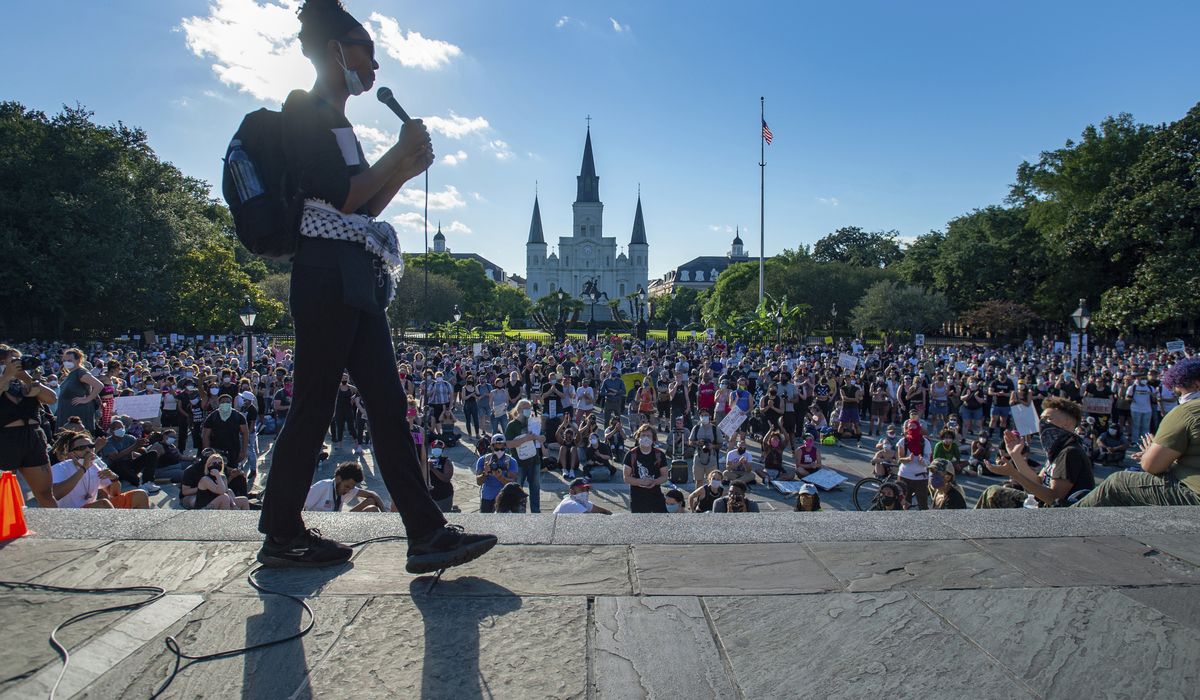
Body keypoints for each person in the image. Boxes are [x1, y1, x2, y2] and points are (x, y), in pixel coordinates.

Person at [255, 0, 495, 571]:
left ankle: (425, 532)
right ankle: (282, 530)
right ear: (336, 51)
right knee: (313, 406)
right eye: (368, 50)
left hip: (351, 272)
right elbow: (338, 199)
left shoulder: (339, 123)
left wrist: (405, 168)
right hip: (323, 273)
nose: (376, 66)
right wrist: (398, 152)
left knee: (389, 407)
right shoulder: (305, 109)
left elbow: (362, 200)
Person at [1075, 357, 1200, 507]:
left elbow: (1152, 466)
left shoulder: (1186, 411)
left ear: (1196, 385)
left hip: (1194, 496)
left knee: (1118, 483)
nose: (1177, 396)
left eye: (1179, 392)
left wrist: (1150, 453)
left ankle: (1064, 520)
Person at [976, 397, 1094, 508]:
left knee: (993, 494)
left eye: (1048, 418)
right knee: (992, 492)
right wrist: (1016, 456)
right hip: (1045, 506)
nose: (1042, 423)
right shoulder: (1059, 449)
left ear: (1067, 423)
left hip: (1059, 517)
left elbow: (1054, 499)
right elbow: (1039, 481)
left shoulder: (1070, 452)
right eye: (1041, 418)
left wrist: (1014, 474)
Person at [0, 346, 58, 507]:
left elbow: (52, 398)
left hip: (33, 437)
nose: (14, 365)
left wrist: (26, 377)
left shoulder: (27, 384)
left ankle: (57, 529)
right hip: (5, 439)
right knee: (2, 495)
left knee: (46, 494)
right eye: (9, 361)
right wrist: (7, 376)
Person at [99, 419, 161, 494]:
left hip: (129, 465)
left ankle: (148, 482)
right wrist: (135, 446)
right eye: (117, 428)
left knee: (152, 453)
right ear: (111, 431)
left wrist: (142, 444)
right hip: (116, 469)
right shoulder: (108, 442)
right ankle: (138, 484)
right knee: (119, 463)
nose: (120, 430)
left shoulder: (129, 438)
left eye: (122, 427)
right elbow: (115, 457)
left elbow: (139, 447)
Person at [505, 399, 546, 512]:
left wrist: (540, 438)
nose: (528, 410)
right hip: (519, 463)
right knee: (517, 489)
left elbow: (543, 437)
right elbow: (508, 444)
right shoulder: (512, 425)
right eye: (525, 408)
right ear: (519, 410)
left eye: (529, 408)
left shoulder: (534, 422)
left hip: (534, 461)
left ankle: (536, 512)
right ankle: (517, 512)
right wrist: (525, 439)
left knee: (535, 489)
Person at [304, 461, 386, 512]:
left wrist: (385, 515)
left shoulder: (348, 488)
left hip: (338, 521)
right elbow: (303, 509)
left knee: (371, 503)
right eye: (347, 486)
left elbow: (372, 494)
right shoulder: (322, 486)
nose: (348, 491)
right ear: (338, 479)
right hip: (322, 524)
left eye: (351, 488)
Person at [54, 347, 102, 433]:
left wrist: (87, 399)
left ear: (78, 360)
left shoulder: (80, 372)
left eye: (69, 360)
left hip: (78, 415)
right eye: (64, 360)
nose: (66, 362)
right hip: (67, 414)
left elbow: (99, 385)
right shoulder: (71, 374)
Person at [623, 424, 669, 513]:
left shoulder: (659, 455)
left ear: (653, 439)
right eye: (643, 435)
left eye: (648, 436)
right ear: (638, 437)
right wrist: (639, 481)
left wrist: (654, 482)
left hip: (656, 495)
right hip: (637, 497)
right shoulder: (631, 455)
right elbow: (626, 477)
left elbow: (665, 476)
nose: (646, 438)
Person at [474, 433, 518, 513]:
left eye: (502, 448)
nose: (499, 451)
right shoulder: (483, 460)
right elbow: (478, 482)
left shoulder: (511, 461)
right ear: (491, 447)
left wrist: (500, 477)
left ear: (505, 446)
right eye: (497, 449)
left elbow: (513, 484)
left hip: (504, 497)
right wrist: (485, 473)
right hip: (487, 497)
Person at [426, 439, 455, 513]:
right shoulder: (427, 461)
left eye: (439, 448)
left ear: (442, 449)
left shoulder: (446, 461)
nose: (436, 450)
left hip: (444, 495)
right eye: (434, 448)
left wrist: (433, 469)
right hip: (431, 496)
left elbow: (446, 478)